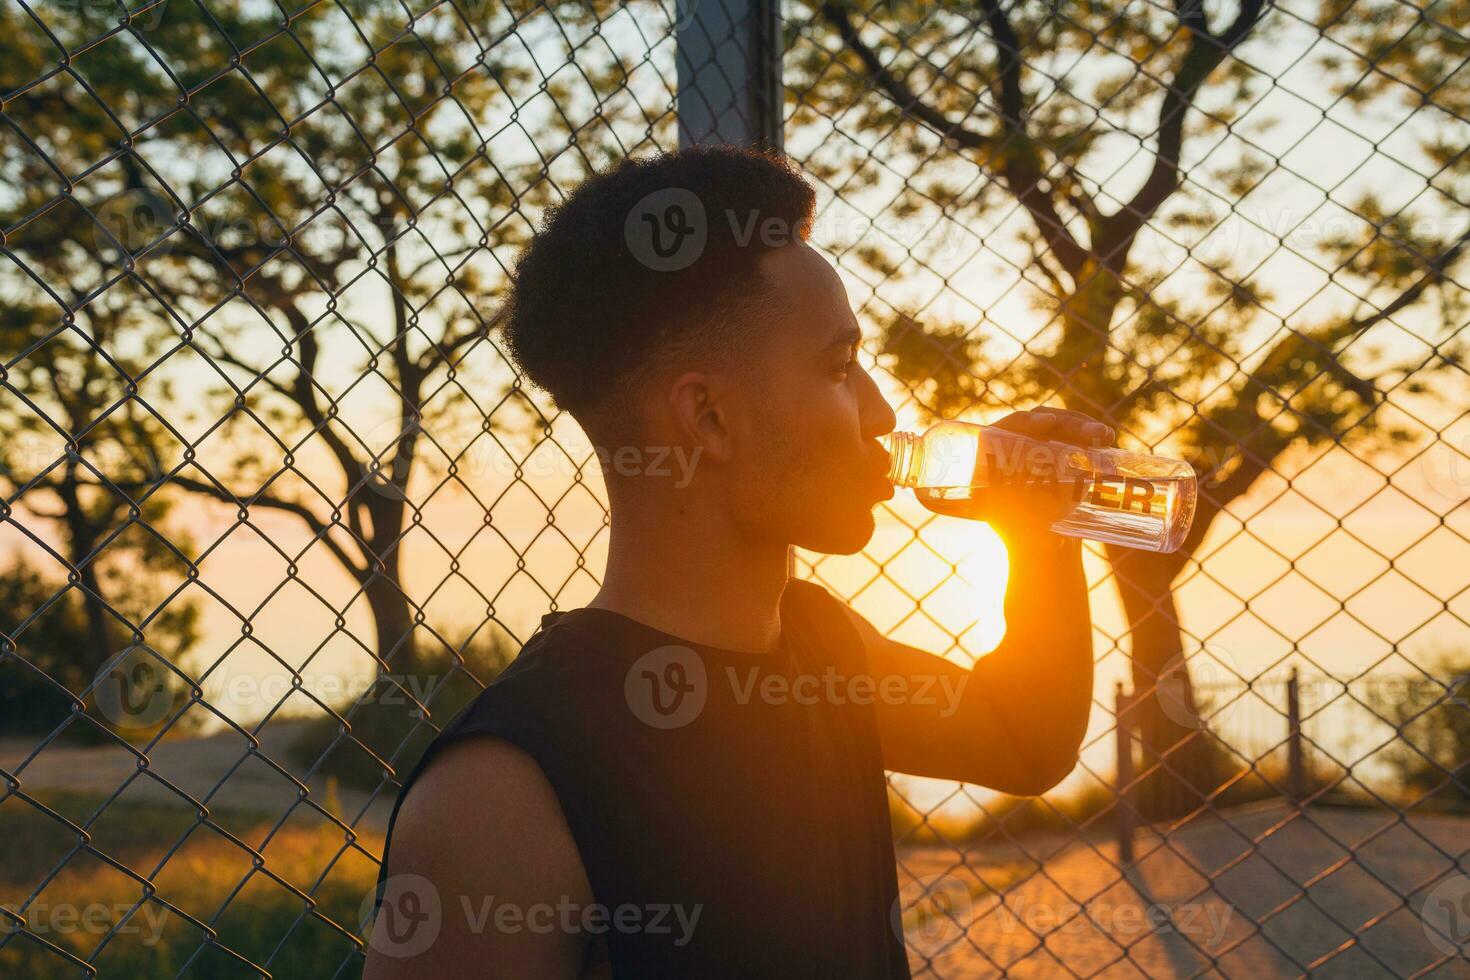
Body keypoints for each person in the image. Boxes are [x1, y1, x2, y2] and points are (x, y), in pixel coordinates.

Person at [362, 144, 1109, 978]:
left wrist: (1037, 531)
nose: (881, 410)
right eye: (838, 368)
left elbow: (1025, 739)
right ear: (707, 420)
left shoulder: (823, 650)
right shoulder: (501, 794)